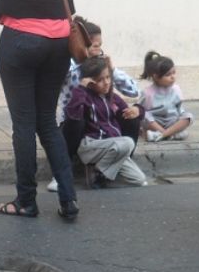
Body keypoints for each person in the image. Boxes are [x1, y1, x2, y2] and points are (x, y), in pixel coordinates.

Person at [0, 0, 80, 220]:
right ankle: (68, 198)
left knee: (24, 124)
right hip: (59, 42)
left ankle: (26, 200)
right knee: (47, 122)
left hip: (22, 40)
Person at [47, 16, 142, 192]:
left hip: (100, 121)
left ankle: (117, 163)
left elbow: (134, 91)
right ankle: (61, 173)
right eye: (95, 45)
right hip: (73, 124)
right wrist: (81, 63)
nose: (99, 50)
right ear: (83, 45)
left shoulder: (101, 66)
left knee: (131, 119)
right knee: (77, 119)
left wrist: (111, 71)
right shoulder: (69, 66)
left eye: (100, 45)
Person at [63, 55, 147, 189]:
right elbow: (73, 114)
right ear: (90, 82)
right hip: (91, 146)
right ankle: (100, 173)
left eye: (108, 77)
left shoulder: (112, 97)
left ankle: (98, 172)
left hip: (113, 147)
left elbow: (130, 111)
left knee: (140, 180)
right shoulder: (84, 97)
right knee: (128, 143)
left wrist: (137, 110)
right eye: (100, 80)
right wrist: (81, 88)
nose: (106, 82)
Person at [138, 51, 193, 142]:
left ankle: (162, 135)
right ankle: (170, 134)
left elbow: (179, 108)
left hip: (171, 122)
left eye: (174, 73)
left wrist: (182, 117)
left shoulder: (176, 89)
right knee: (144, 115)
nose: (172, 77)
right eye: (168, 75)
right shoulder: (148, 92)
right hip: (155, 123)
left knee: (188, 116)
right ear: (156, 77)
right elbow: (140, 110)